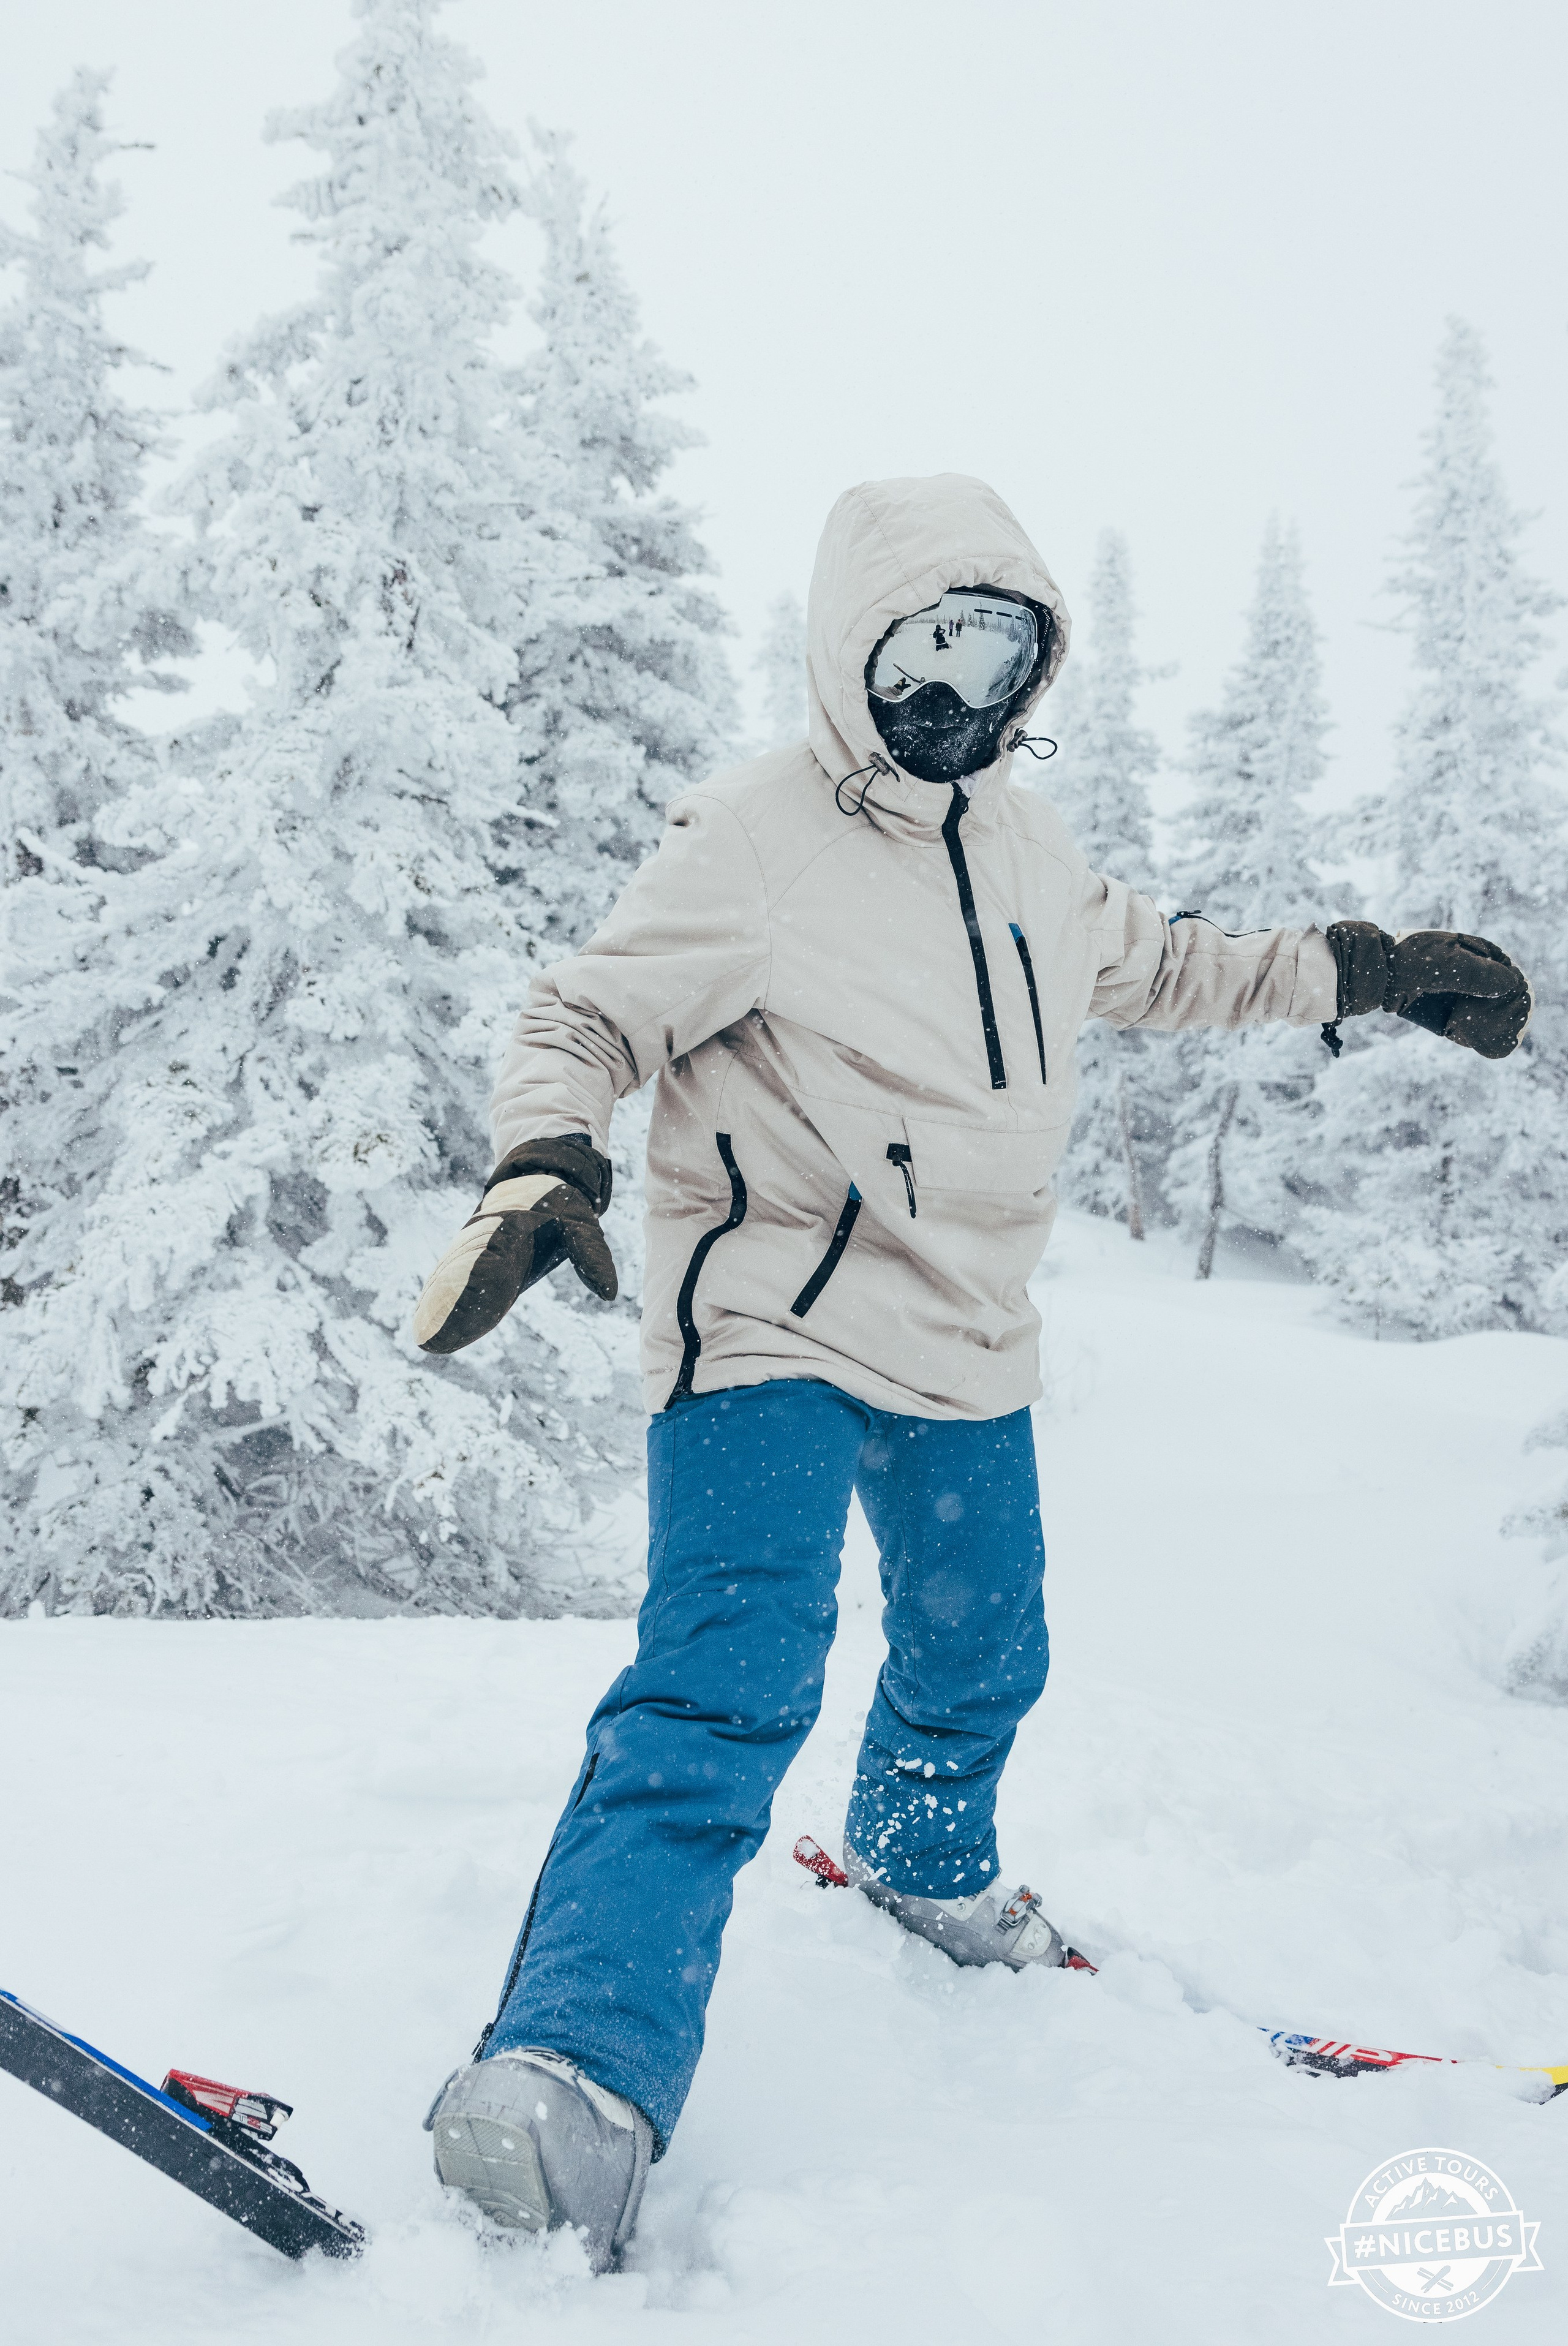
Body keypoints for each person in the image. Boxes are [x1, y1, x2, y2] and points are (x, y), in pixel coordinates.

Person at [413, 474, 1531, 2269]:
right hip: (769, 1319)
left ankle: (924, 1865)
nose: (960, 690)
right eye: (927, 646)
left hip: (967, 1340)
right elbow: (582, 1009)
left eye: (996, 650)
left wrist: (1361, 969)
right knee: (729, 1681)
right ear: (855, 648)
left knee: (982, 1643)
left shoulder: (1022, 843)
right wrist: (547, 1156)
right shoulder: (757, 839)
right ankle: (571, 2072)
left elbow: (1163, 963)